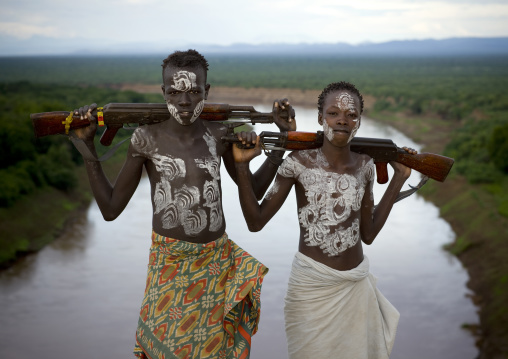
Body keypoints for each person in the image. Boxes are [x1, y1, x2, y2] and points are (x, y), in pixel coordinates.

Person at [71, 49, 296, 359]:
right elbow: (110, 209)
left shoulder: (219, 134)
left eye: (194, 91)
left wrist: (283, 140)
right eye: (175, 92)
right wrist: (86, 147)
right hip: (170, 268)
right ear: (164, 92)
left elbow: (254, 188)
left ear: (207, 91)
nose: (185, 101)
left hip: (215, 267)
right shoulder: (145, 139)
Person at [233, 81, 417, 358]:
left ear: (358, 122)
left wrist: (398, 180)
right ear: (320, 118)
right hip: (310, 289)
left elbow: (367, 234)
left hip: (354, 287)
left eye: (351, 115)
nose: (342, 120)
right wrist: (241, 166)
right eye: (333, 113)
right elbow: (255, 221)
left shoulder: (365, 166)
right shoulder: (298, 162)